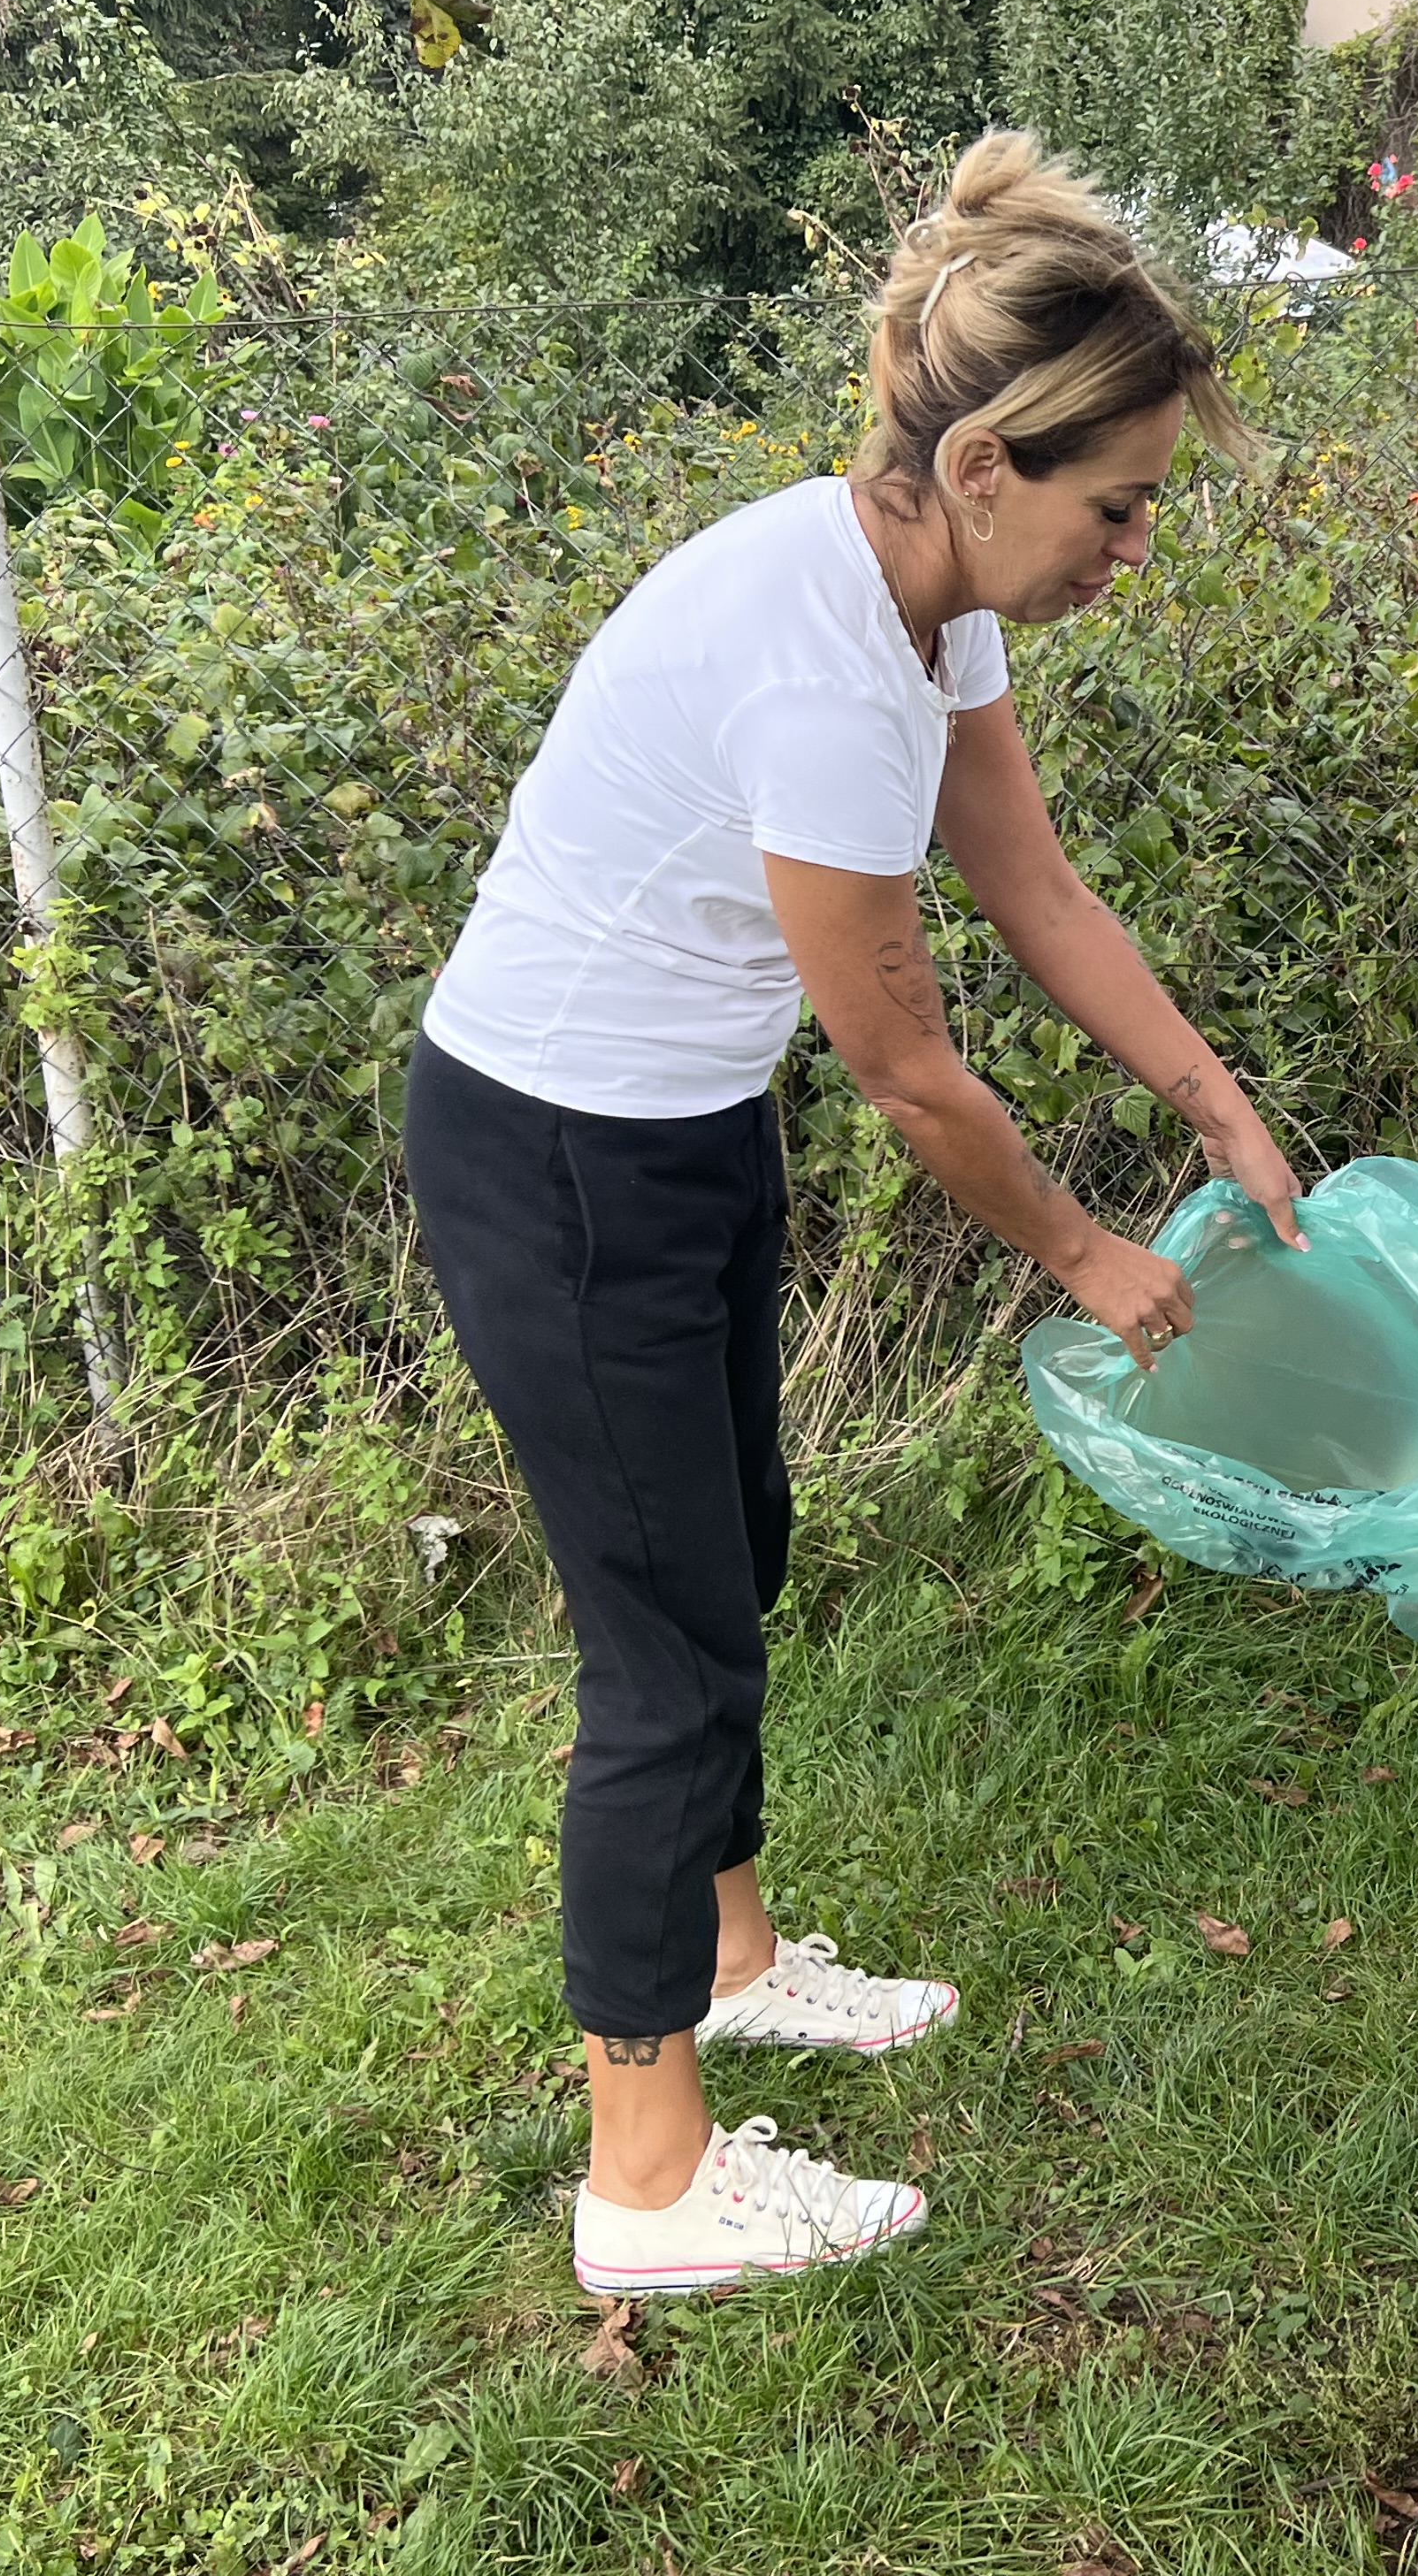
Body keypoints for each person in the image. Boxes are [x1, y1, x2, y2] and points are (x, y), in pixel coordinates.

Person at [402, 133, 1308, 2297]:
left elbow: (1037, 887)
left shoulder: (926, 601)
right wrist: (1087, 1252)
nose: (1134, 550)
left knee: (734, 1560)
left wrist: (1217, 1109)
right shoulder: (816, 658)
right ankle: (646, 2183)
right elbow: (906, 1068)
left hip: (679, 1127)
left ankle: (729, 1964)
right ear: (985, 464)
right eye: (1117, 507)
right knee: (660, 1660)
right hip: (559, 1155)